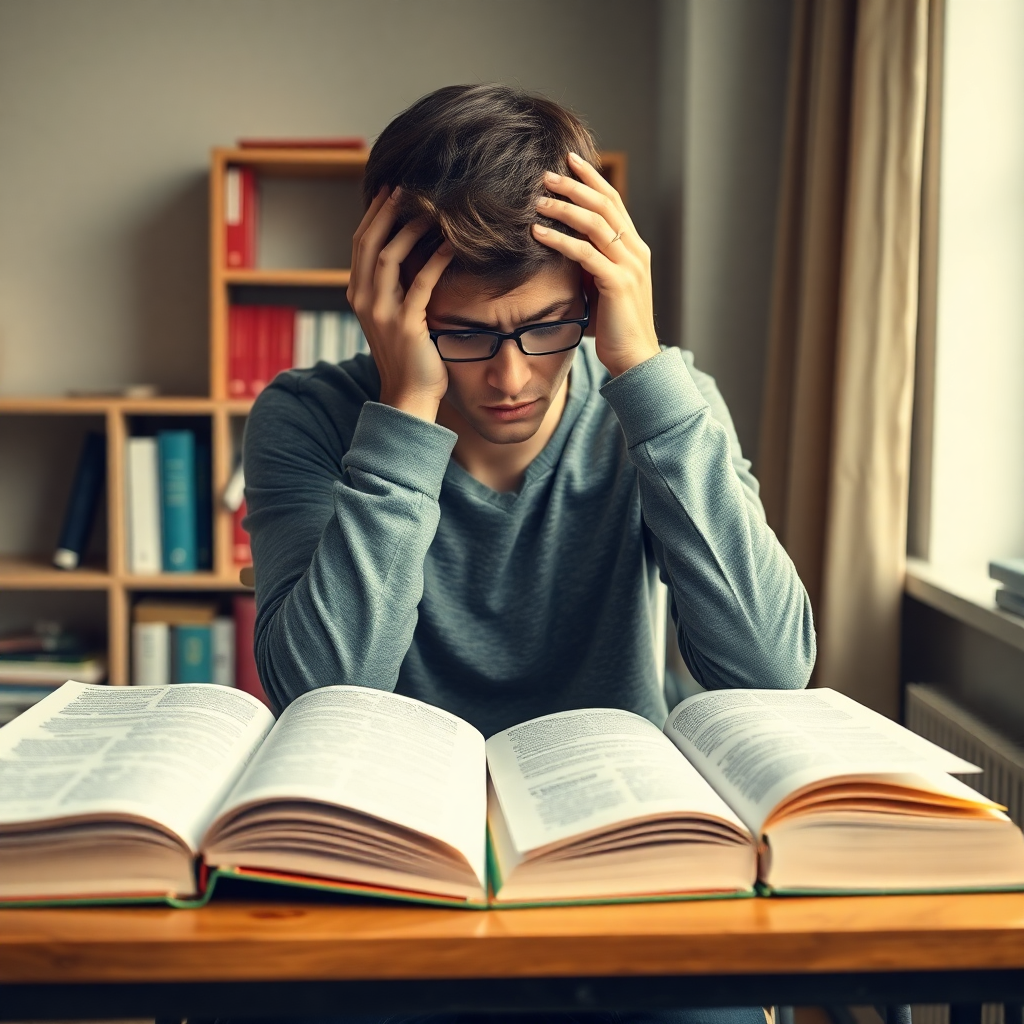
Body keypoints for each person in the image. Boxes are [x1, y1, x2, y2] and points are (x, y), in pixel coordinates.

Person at [242, 83, 815, 1024]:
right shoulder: (308, 418)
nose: (511, 378)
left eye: (547, 325)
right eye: (462, 333)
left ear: (595, 290)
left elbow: (770, 668)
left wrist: (643, 375)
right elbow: (320, 693)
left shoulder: (660, 404)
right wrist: (404, 412)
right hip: (393, 870)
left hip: (618, 862)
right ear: (386, 305)